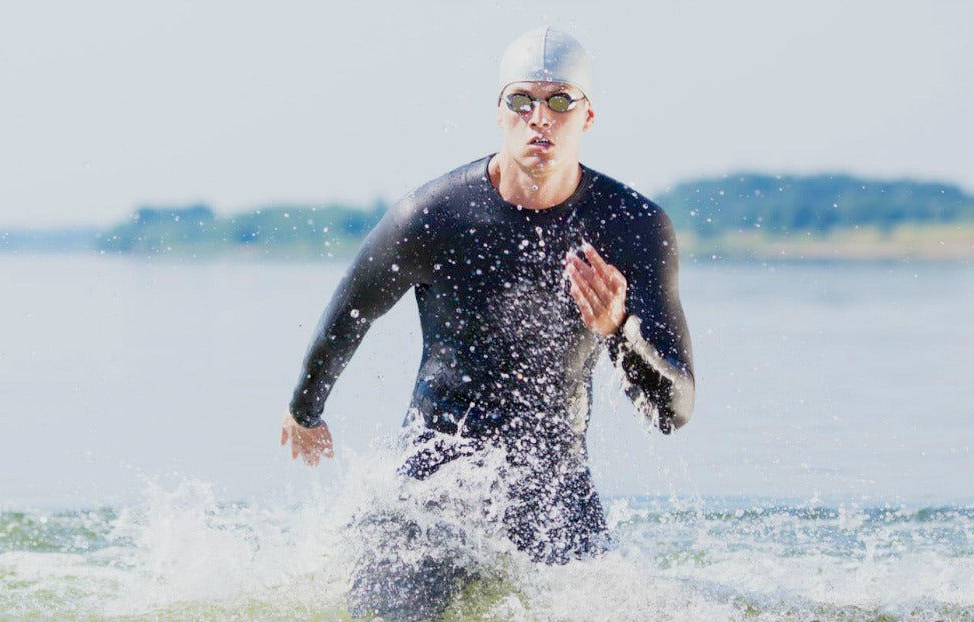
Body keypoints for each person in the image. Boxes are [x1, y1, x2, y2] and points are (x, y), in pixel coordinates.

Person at [278, 26, 695, 621]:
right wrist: (305, 409)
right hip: (434, 484)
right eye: (522, 101)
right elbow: (351, 311)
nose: (539, 119)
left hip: (554, 488)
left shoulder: (631, 226)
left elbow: (674, 409)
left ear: (589, 117)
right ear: (499, 112)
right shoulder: (433, 215)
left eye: (559, 101)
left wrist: (618, 326)